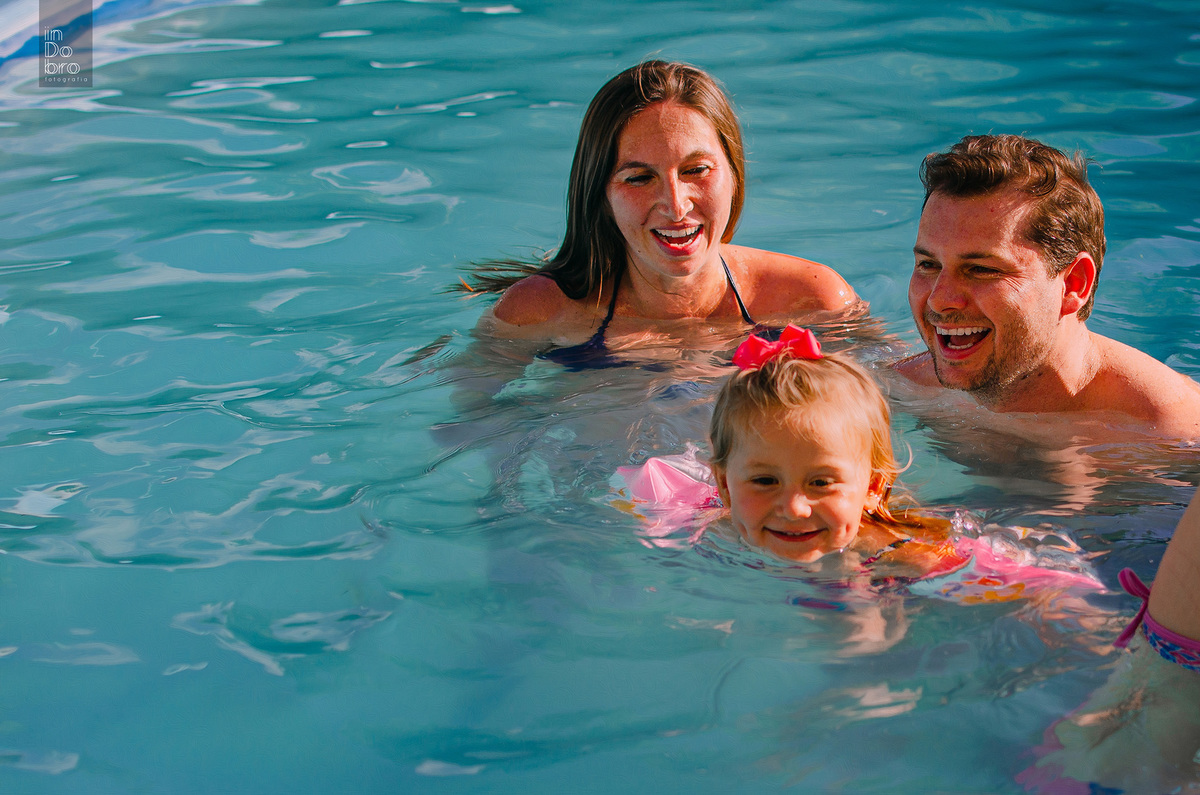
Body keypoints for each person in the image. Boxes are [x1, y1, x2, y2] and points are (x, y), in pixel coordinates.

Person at [615, 325, 1104, 599]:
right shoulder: (703, 518)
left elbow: (1040, 585)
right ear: (723, 485)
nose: (795, 506)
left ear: (872, 487)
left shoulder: (898, 553)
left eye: (822, 482)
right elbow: (631, 488)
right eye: (764, 480)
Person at [464, 61, 858, 358]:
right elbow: (465, 425)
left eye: (696, 170)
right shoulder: (540, 313)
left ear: (734, 175)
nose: (675, 205)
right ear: (601, 194)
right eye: (638, 177)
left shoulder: (812, 301)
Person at [895, 134, 1200, 438]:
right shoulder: (907, 388)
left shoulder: (1172, 433)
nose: (939, 300)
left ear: (1074, 284)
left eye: (981, 269)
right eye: (928, 265)